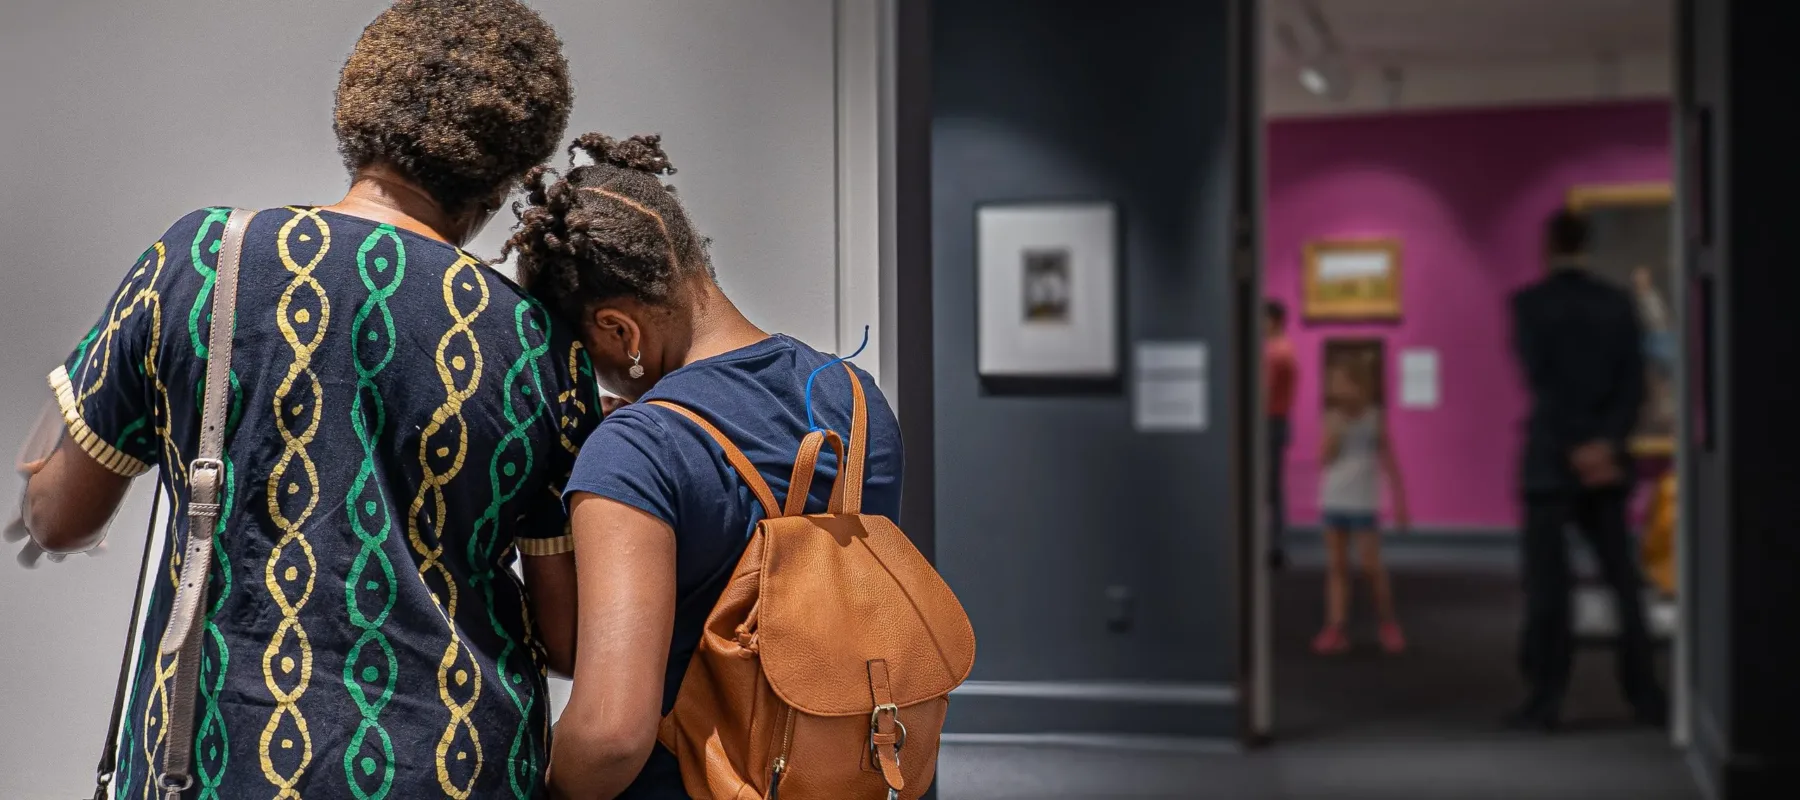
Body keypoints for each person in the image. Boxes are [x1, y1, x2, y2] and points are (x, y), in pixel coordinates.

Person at [15, 3, 600, 796]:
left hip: (224, 761)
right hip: (453, 768)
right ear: (507, 173)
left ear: (357, 113)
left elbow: (56, 516)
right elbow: (568, 638)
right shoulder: (540, 346)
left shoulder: (206, 258)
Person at [501, 133, 904, 799]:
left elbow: (610, 735)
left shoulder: (637, 449)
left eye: (586, 351)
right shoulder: (858, 401)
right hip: (846, 778)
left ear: (619, 331)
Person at [1507, 209, 1667, 732]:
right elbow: (1634, 385)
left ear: (1549, 243)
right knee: (1624, 582)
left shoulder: (1529, 305)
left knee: (1550, 588)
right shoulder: (1618, 304)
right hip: (1607, 465)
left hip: (1552, 462)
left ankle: (1546, 700)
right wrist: (1606, 443)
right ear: (1589, 242)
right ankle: (1645, 696)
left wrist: (1577, 444)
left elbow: (1543, 384)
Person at [1311, 362, 1409, 656]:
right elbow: (1323, 460)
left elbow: (1390, 461)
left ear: (1358, 386)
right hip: (1334, 497)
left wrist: (1401, 502)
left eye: (1341, 382)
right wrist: (1333, 436)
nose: (1335, 389)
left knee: (1370, 566)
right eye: (1332, 383)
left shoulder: (1375, 417)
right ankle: (1335, 628)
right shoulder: (1331, 418)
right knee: (1337, 566)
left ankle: (1388, 623)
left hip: (1364, 499)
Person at [1265, 299, 1298, 569]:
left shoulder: (1277, 352)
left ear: (1274, 321)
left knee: (1271, 489)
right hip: (1278, 422)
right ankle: (1275, 545)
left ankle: (1276, 547)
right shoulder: (1284, 350)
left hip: (1271, 423)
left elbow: (1265, 394)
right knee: (1273, 488)